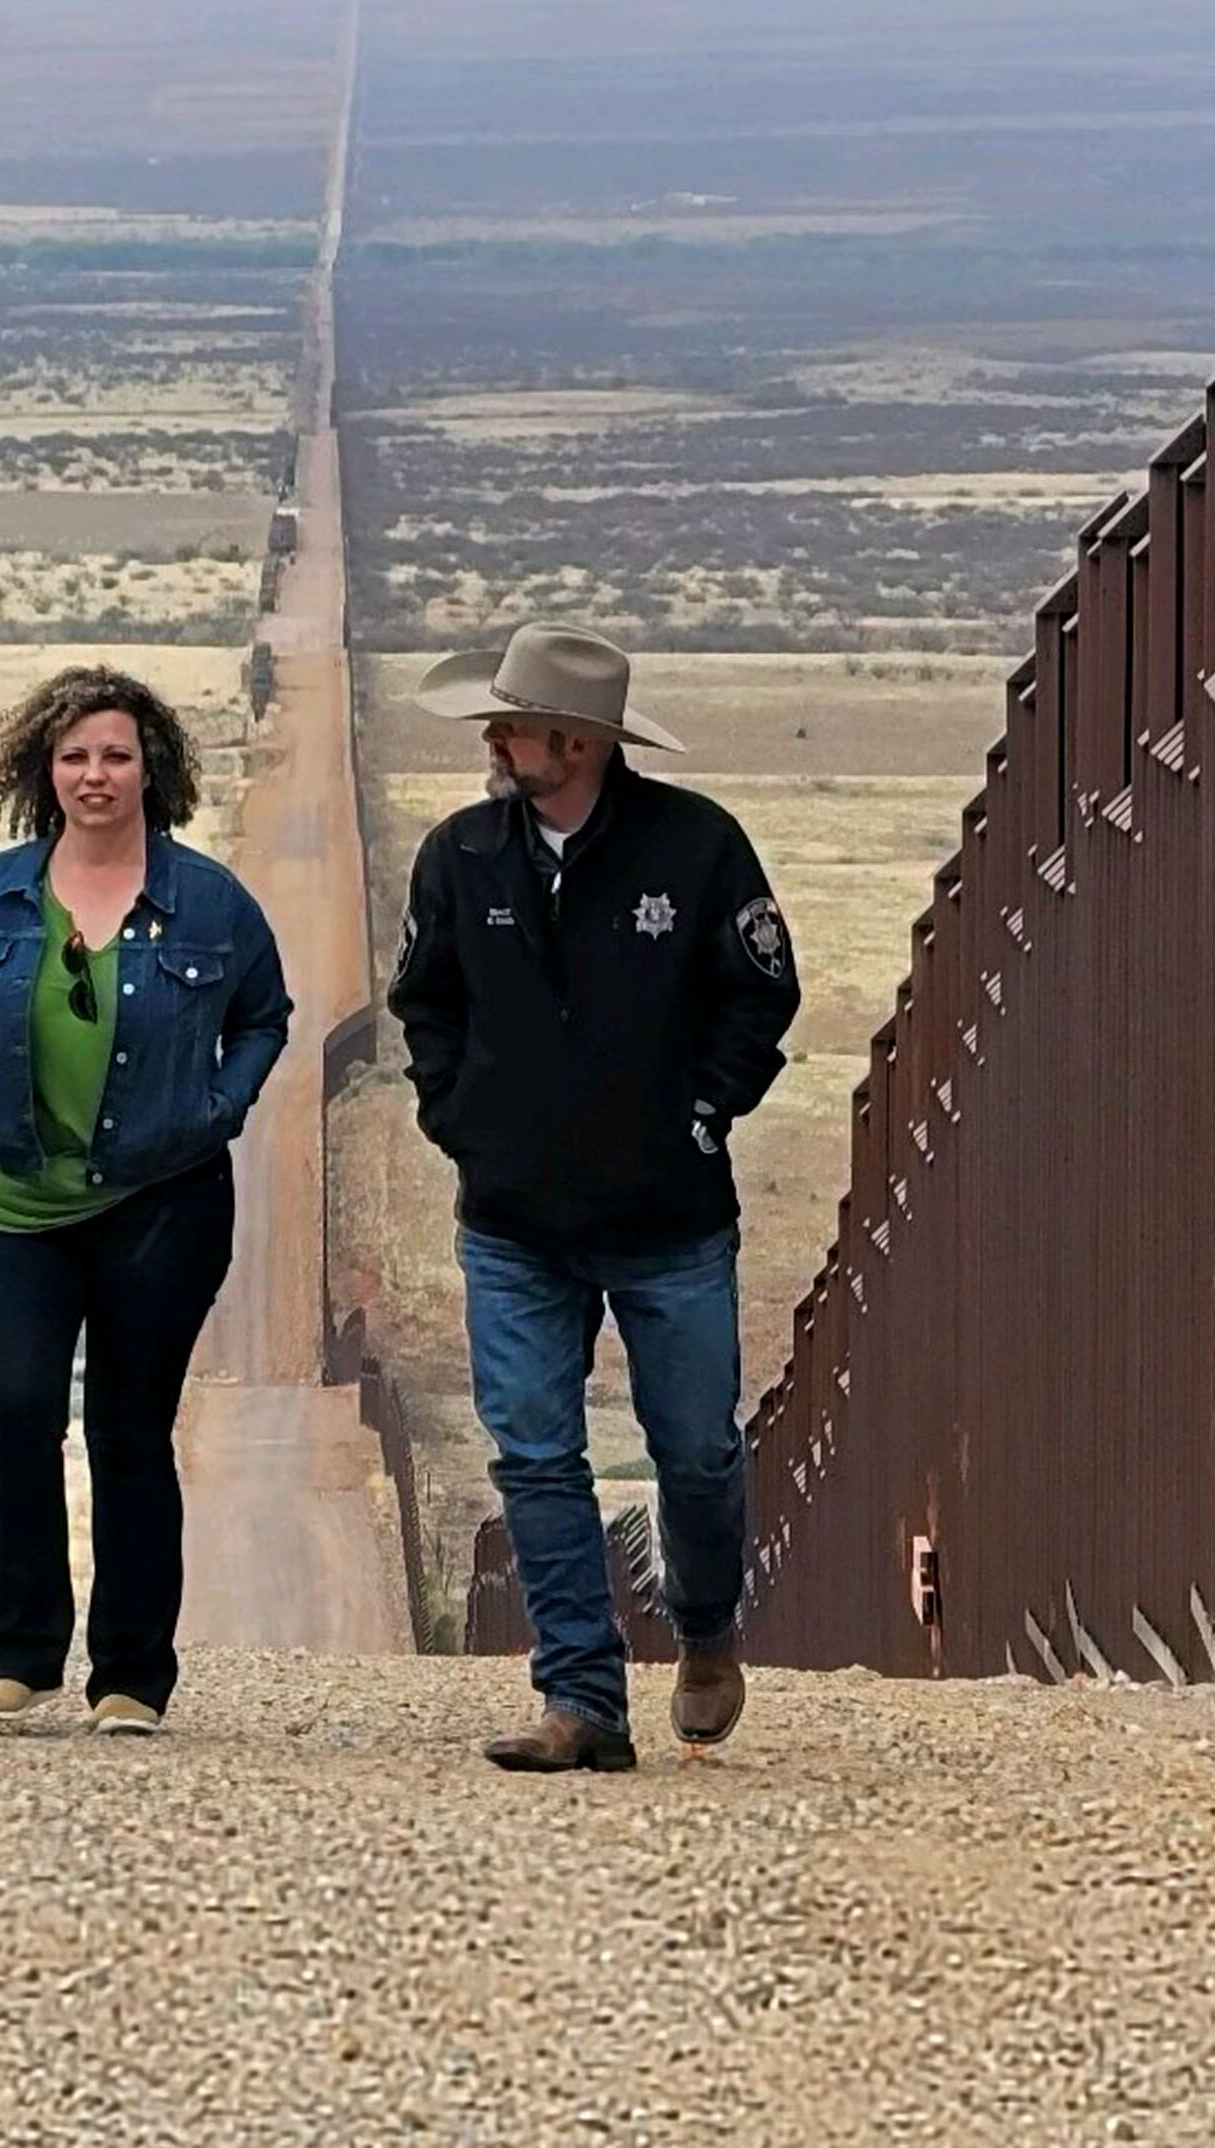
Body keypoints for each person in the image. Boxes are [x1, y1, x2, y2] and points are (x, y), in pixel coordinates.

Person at [388, 620, 798, 1772]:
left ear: (573, 741)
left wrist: (703, 1114)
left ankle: (707, 1628)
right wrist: (456, 1114)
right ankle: (582, 1698)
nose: (494, 736)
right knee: (532, 1452)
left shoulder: (698, 847)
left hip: (668, 1222)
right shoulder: (462, 857)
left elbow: (761, 994)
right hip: (514, 1222)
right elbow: (426, 999)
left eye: (511, 722)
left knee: (698, 1453)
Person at [0, 665, 290, 1736]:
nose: (96, 774)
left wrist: (217, 1107)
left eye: (117, 754)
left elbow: (265, 1012)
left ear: (151, 768)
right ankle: (18, 1656)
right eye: (77, 755)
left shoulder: (209, 900)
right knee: (18, 1413)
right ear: (46, 767)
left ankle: (132, 1673)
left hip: (160, 1202)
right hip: (7, 1202)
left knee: (129, 1429)